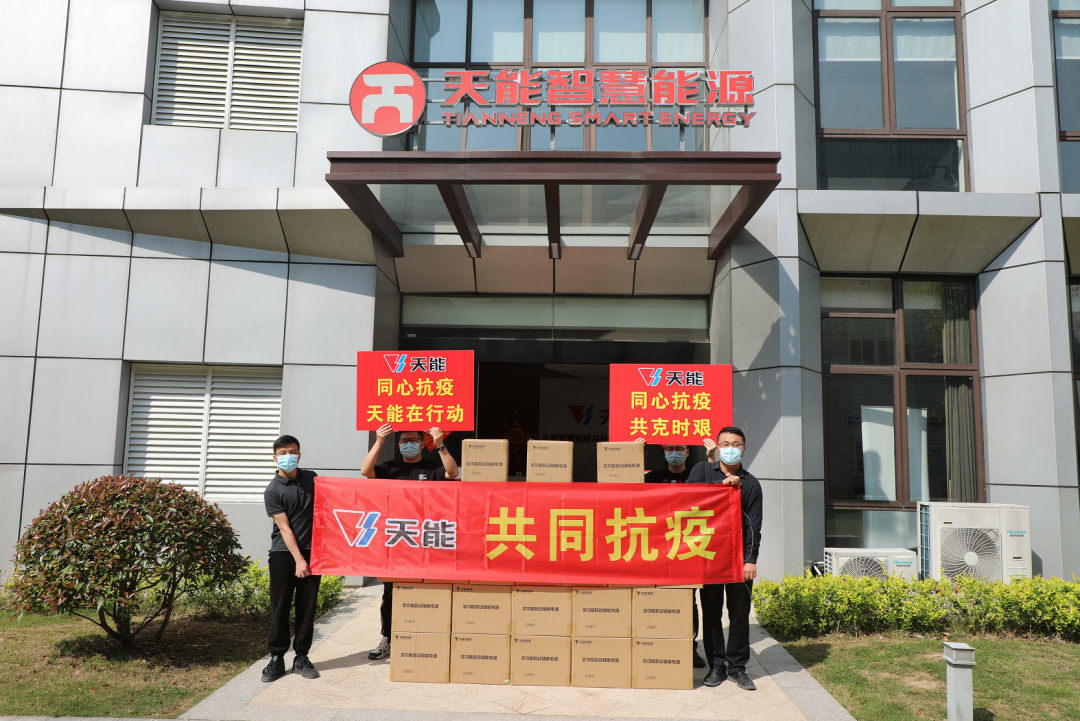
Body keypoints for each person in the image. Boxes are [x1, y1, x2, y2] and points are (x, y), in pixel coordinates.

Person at [362, 424, 459, 660]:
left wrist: (440, 445)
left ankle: (424, 636)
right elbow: (366, 471)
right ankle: (387, 638)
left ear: (422, 443)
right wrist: (378, 441)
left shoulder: (432, 467)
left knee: (425, 591)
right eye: (404, 440)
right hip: (397, 539)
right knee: (391, 593)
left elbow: (452, 473)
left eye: (413, 440)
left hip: (424, 541)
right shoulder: (391, 467)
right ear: (398, 444)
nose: (408, 444)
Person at [636, 438, 732, 669]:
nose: (674, 453)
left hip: (687, 545)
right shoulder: (653, 476)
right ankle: (659, 645)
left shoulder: (696, 474)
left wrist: (711, 457)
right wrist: (634, 454)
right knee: (659, 597)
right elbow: (628, 487)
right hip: (658, 546)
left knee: (688, 598)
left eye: (679, 449)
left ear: (688, 453)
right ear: (664, 452)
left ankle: (690, 648)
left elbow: (715, 488)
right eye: (669, 449)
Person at [686, 426, 763, 691]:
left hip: (738, 558)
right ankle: (716, 665)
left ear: (744, 449)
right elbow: (687, 498)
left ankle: (738, 667)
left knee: (739, 615)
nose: (730, 448)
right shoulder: (702, 471)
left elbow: (754, 525)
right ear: (717, 447)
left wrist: (750, 559)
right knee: (711, 612)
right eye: (725, 444)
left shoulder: (751, 483)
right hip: (708, 555)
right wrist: (720, 487)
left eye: (736, 444)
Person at [261, 434, 322, 682]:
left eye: (293, 452)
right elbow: (284, 528)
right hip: (284, 554)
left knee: (307, 608)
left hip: (312, 552)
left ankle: (301, 658)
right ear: (275, 458)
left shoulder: (312, 479)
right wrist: (298, 559)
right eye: (283, 453)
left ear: (299, 455)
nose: (289, 456)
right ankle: (277, 658)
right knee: (281, 606)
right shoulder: (273, 490)